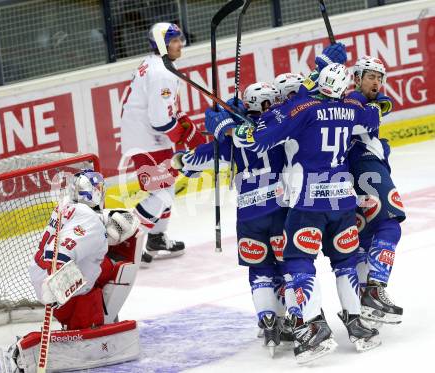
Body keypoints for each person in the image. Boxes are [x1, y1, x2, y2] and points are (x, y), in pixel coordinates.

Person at [205, 63, 382, 363]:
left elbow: (255, 137)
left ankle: (314, 329)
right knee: (345, 264)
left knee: (298, 262)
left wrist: (225, 126)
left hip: (308, 205)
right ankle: (357, 325)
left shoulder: (303, 109)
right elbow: (374, 114)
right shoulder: (350, 109)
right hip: (342, 201)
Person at [174, 81, 292, 356]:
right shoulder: (278, 125)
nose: (276, 105)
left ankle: (268, 320)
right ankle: (291, 319)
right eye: (272, 101)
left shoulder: (230, 138)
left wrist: (190, 155)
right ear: (265, 104)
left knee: (260, 270)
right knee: (287, 266)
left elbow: (195, 159)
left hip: (248, 213)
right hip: (278, 207)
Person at [3, 169, 142, 372]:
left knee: (105, 266)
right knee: (115, 272)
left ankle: (86, 318)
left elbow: (81, 227)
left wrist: (110, 218)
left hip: (42, 273)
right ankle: (88, 326)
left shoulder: (67, 205)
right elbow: (63, 250)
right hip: (59, 281)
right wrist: (55, 282)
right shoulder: (90, 221)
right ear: (94, 192)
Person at [120, 22, 205, 262]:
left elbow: (165, 113)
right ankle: (126, 240)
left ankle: (156, 238)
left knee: (165, 186)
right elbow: (159, 121)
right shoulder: (162, 73)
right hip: (147, 138)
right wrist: (184, 137)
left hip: (147, 136)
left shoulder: (156, 64)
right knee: (163, 192)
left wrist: (185, 128)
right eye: (175, 40)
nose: (181, 44)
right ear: (162, 44)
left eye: (180, 39)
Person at [348, 56, 405, 324]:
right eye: (371, 76)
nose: (377, 82)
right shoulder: (352, 102)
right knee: (391, 225)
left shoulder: (360, 101)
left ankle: (362, 300)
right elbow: (365, 118)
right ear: (356, 78)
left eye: (380, 77)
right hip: (367, 168)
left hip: (352, 174)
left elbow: (382, 105)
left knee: (365, 237)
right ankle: (374, 288)